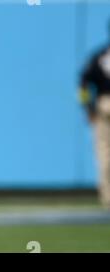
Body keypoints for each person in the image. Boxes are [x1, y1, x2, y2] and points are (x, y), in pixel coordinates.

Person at [79, 21, 110, 210]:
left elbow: (83, 84)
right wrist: (88, 108)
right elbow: (83, 84)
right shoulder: (99, 57)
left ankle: (108, 199)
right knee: (105, 156)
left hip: (102, 107)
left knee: (105, 155)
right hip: (104, 108)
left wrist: (88, 108)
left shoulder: (99, 56)